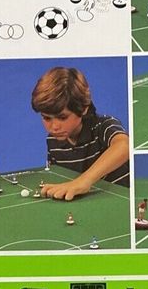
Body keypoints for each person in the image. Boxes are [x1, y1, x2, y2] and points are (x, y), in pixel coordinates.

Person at [30, 66, 129, 200]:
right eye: (46, 118)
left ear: (83, 109)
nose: (54, 127)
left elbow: (124, 146)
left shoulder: (103, 126)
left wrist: (84, 181)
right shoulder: (53, 142)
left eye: (62, 117)